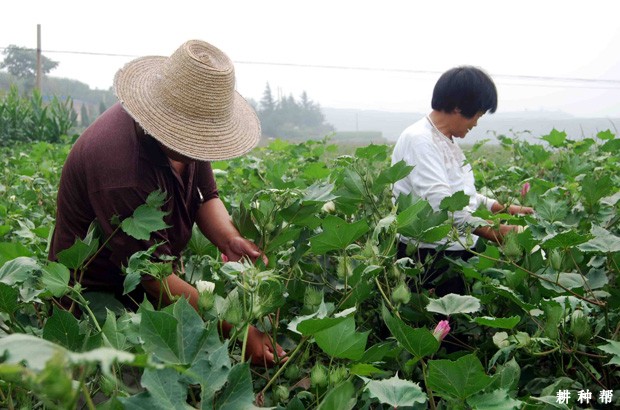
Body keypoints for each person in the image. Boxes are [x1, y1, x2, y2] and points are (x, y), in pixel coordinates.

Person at [49, 39, 286, 366]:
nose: (202, 146)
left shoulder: (184, 135)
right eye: (195, 135)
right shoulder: (121, 167)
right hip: (96, 309)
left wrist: (229, 239)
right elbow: (152, 277)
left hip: (151, 292)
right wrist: (238, 329)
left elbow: (206, 196)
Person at [391, 66, 534, 296]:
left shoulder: (446, 141)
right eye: (477, 114)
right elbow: (444, 205)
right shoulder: (419, 140)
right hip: (429, 257)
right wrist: (498, 233)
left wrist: (505, 209)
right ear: (459, 108)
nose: (476, 123)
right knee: (440, 326)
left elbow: (463, 196)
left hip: (455, 247)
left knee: (457, 323)